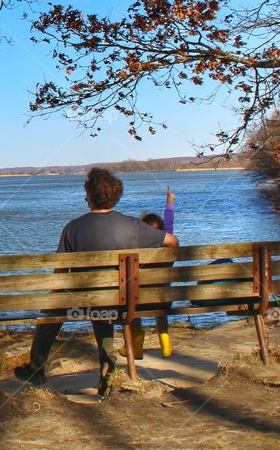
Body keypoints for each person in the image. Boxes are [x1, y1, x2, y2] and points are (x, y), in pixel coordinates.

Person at [14, 168, 179, 397]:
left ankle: (37, 366)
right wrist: (153, 270)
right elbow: (172, 242)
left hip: (89, 303)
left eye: (86, 193)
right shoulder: (134, 226)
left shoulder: (73, 227)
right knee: (106, 302)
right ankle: (108, 369)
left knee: (56, 306)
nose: (84, 197)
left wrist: (58, 295)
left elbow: (60, 274)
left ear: (91, 196)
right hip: (127, 302)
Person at [120, 188, 176, 360]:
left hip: (138, 302)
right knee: (160, 298)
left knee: (132, 301)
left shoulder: (135, 252)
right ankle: (165, 342)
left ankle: (136, 345)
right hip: (163, 301)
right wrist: (170, 203)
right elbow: (169, 223)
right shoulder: (169, 249)